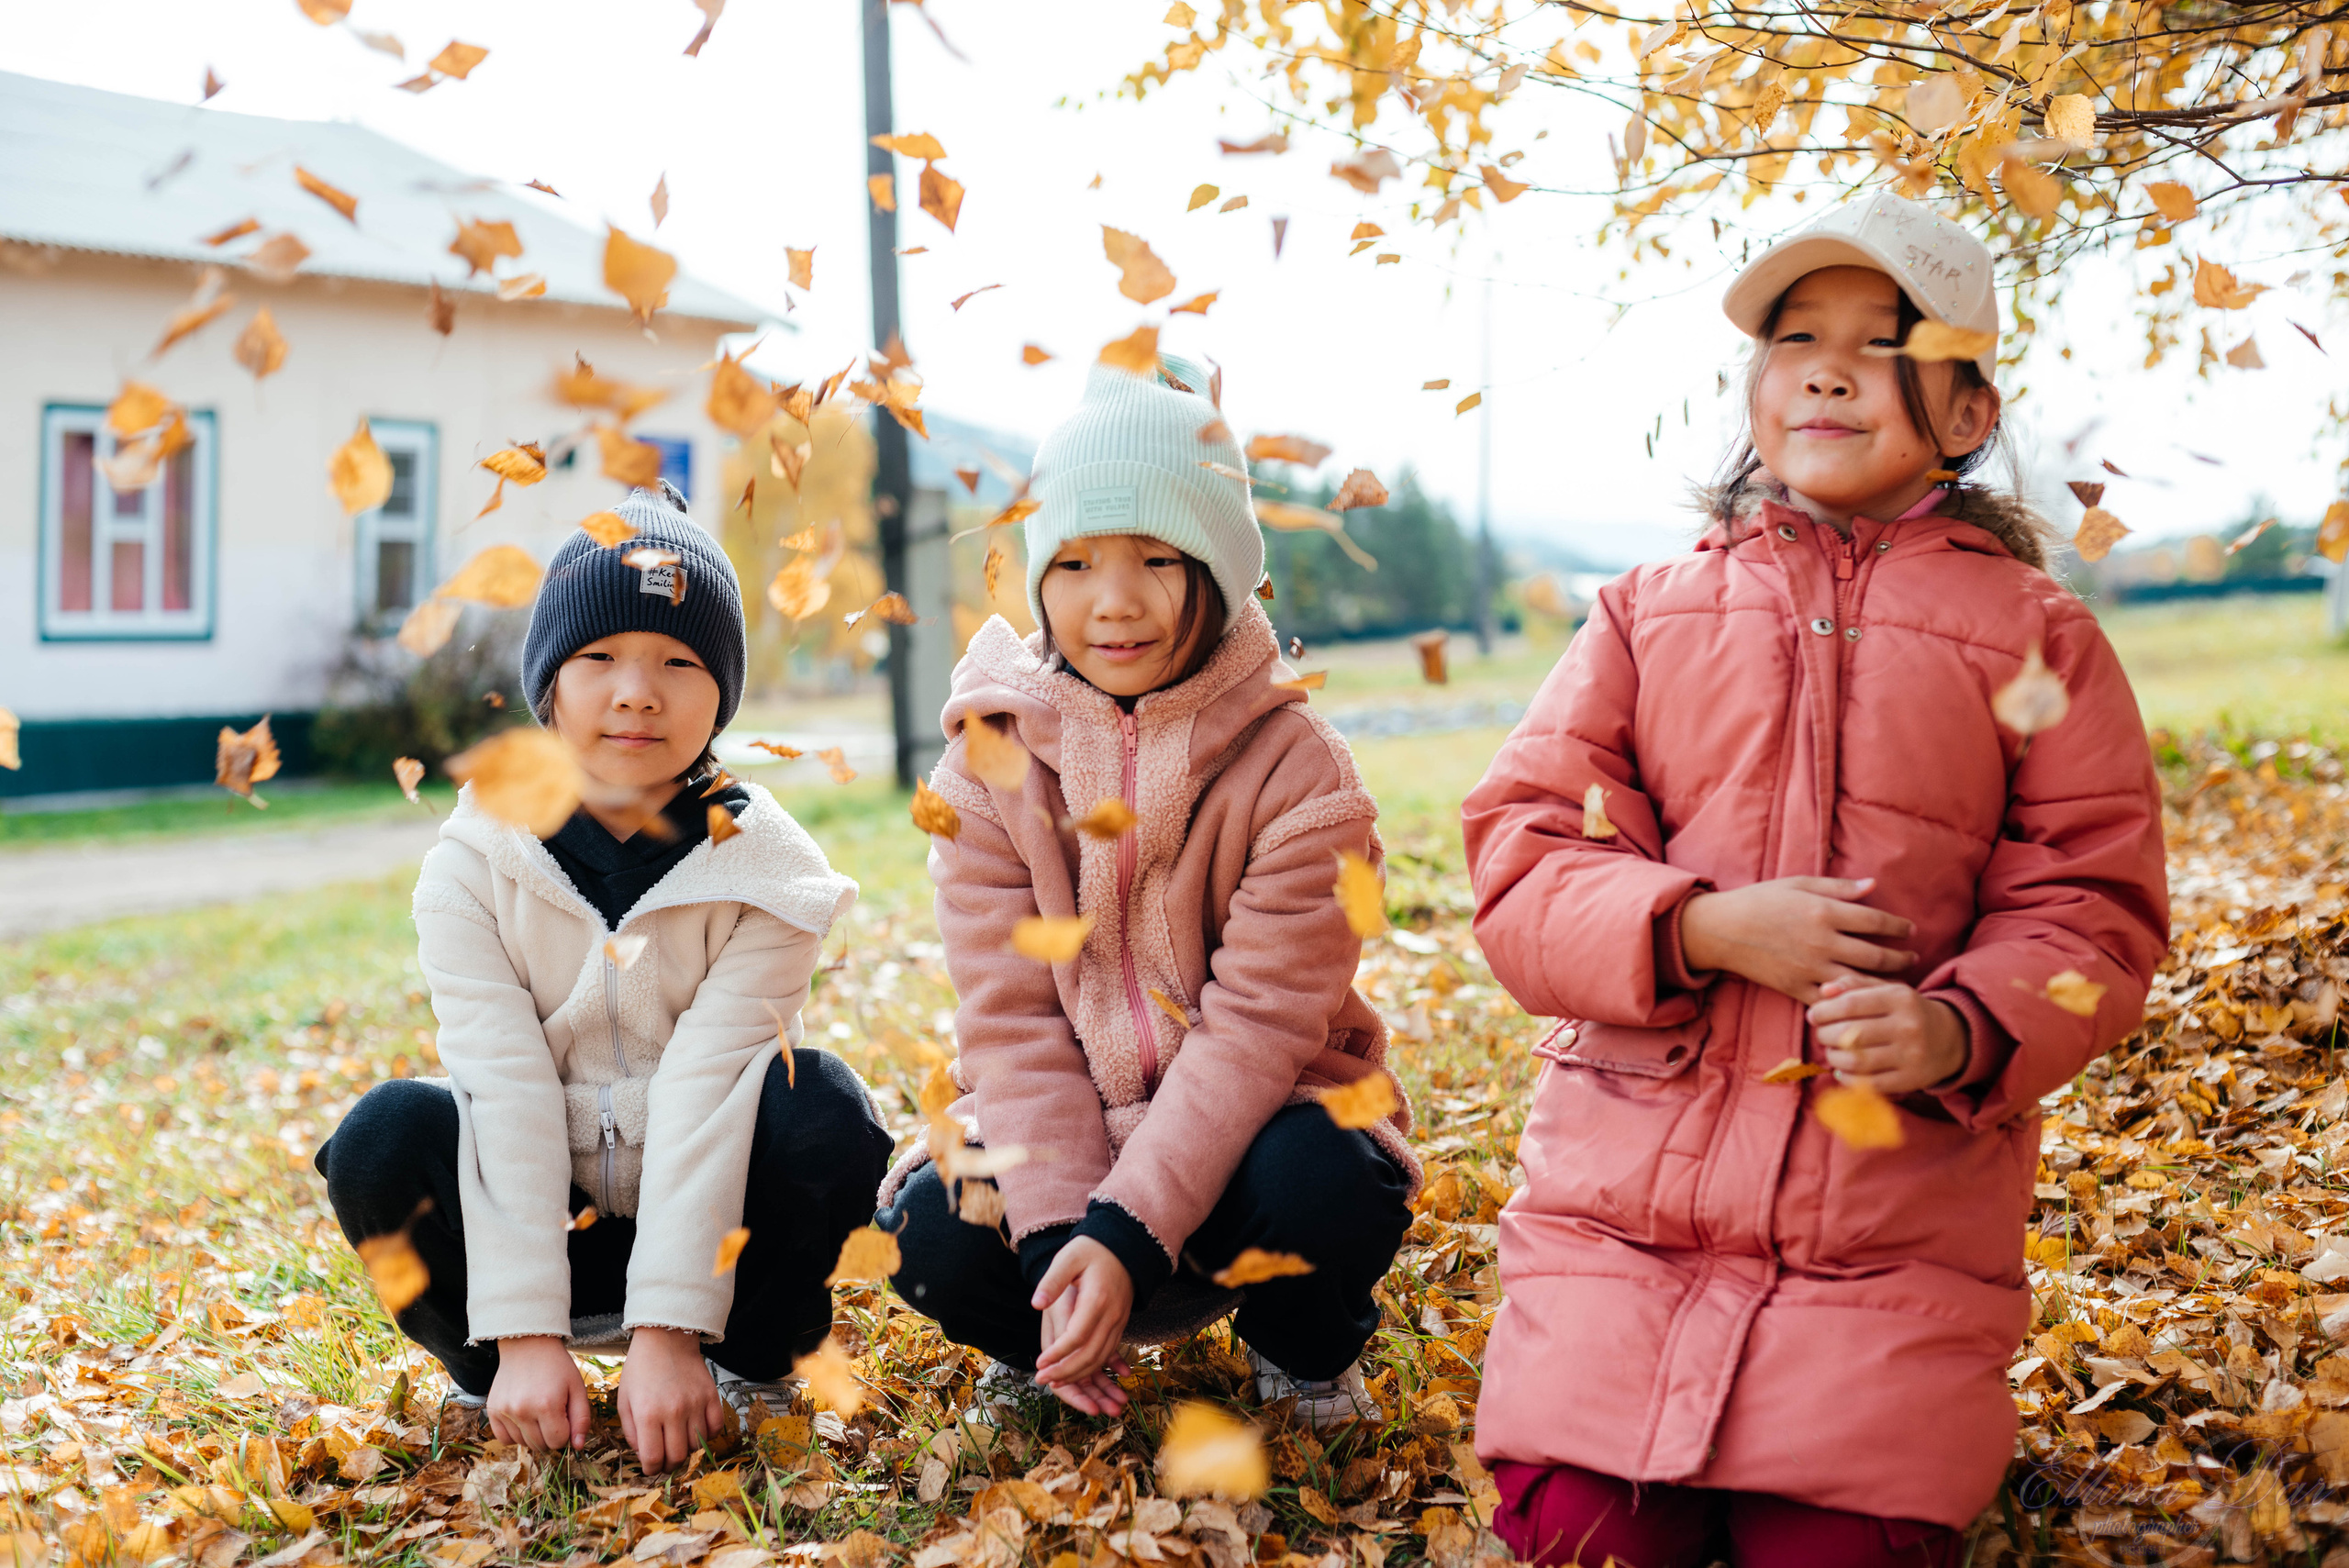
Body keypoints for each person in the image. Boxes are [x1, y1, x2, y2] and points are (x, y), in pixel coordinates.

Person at [1461, 193, 2170, 1566]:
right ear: (1755, 386)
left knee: (1840, 1548)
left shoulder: (2038, 639)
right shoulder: (1644, 614)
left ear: (1967, 411)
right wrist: (1701, 926)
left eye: (1883, 344)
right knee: (1588, 1537)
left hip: (1888, 1228)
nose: (1829, 372)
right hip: (1625, 1216)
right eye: (1796, 340)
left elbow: (2094, 908)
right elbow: (1523, 853)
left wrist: (1960, 1028)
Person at [875, 355, 1418, 1429]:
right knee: (931, 1223)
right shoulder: (988, 764)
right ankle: (1050, 1333)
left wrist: (1129, 1233)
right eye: (1074, 562)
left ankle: (1300, 1352)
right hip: (1062, 1155)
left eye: (1158, 559)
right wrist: (1055, 1243)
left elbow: (1257, 1030)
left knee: (1329, 1176)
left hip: (1250, 1139)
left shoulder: (1299, 769)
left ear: (1218, 567)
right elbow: (1013, 1025)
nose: (1113, 601)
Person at [316, 483, 894, 1474]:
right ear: (548, 684)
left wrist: (670, 1328)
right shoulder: (473, 864)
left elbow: (713, 1087)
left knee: (823, 1104)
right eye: (599, 659)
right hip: (542, 1219)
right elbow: (503, 1083)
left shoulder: (768, 872)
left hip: (716, 1228)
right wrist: (524, 1331)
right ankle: (492, 1367)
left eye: (678, 661)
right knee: (382, 1135)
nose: (637, 692)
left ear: (722, 694)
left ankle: (748, 1361)